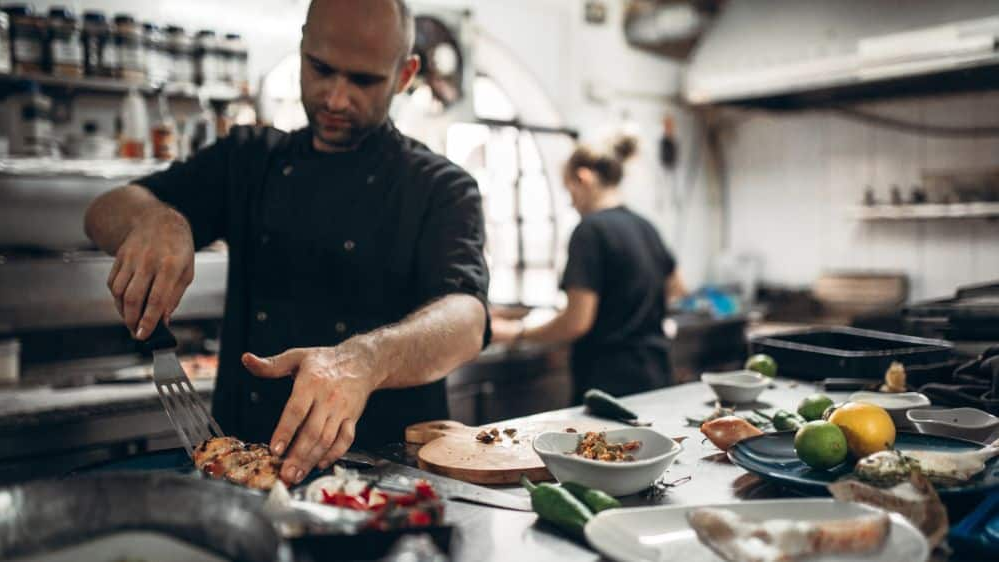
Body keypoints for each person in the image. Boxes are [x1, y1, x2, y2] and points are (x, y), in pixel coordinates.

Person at [83, 0, 489, 485]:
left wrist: (366, 360)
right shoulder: (248, 159)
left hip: (384, 489)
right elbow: (102, 212)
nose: (336, 98)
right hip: (239, 479)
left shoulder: (440, 187)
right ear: (302, 49)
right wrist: (155, 217)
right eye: (321, 69)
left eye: (363, 80)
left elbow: (467, 318)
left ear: (405, 75)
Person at [491, 136, 685, 403]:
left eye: (569, 191)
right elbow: (677, 288)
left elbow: (577, 322)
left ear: (583, 179)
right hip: (657, 374)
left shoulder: (589, 231)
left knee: (608, 447)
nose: (571, 203)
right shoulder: (645, 226)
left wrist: (516, 333)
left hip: (610, 385)